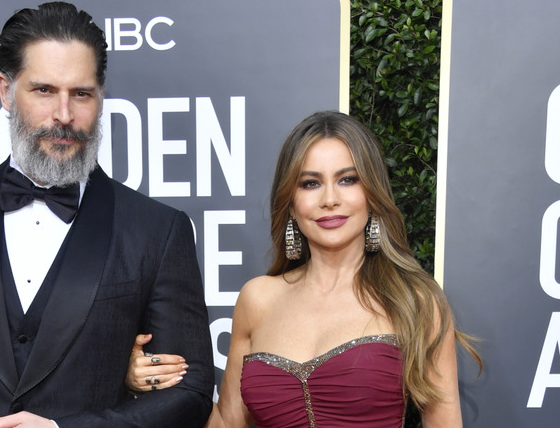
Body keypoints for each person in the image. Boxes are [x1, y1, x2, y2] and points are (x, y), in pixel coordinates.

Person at [0, 1, 214, 428]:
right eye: (44, 90)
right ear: (5, 90)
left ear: (100, 96)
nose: (64, 116)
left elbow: (190, 393)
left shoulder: (157, 230)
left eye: (81, 93)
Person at [126, 111, 481, 427]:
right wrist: (150, 385)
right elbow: (227, 422)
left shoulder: (415, 300)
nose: (330, 199)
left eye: (348, 179)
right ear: (292, 204)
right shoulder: (258, 298)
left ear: (372, 195)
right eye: (310, 183)